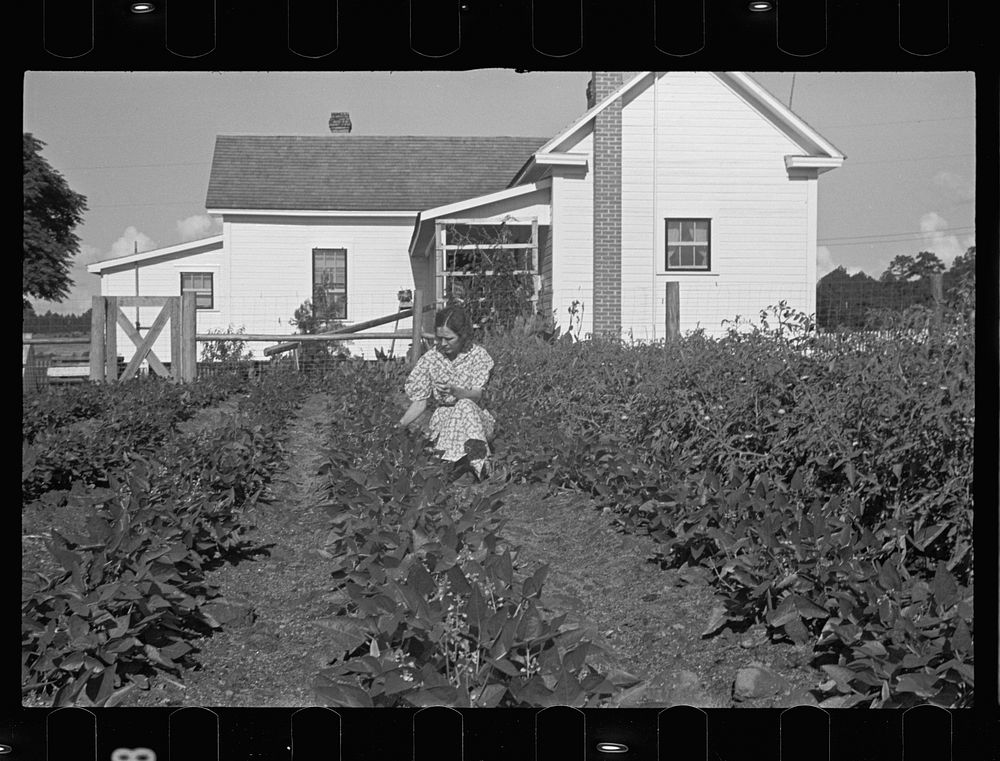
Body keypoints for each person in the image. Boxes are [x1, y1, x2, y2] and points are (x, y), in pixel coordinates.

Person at [397, 305, 495, 479]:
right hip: (444, 423)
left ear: (462, 335)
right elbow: (420, 401)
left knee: (465, 405)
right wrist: (400, 425)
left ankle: (463, 466)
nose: (443, 344)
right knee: (455, 413)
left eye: (449, 339)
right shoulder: (432, 359)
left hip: (475, 421)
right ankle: (467, 467)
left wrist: (458, 392)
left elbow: (477, 395)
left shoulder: (478, 356)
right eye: (439, 338)